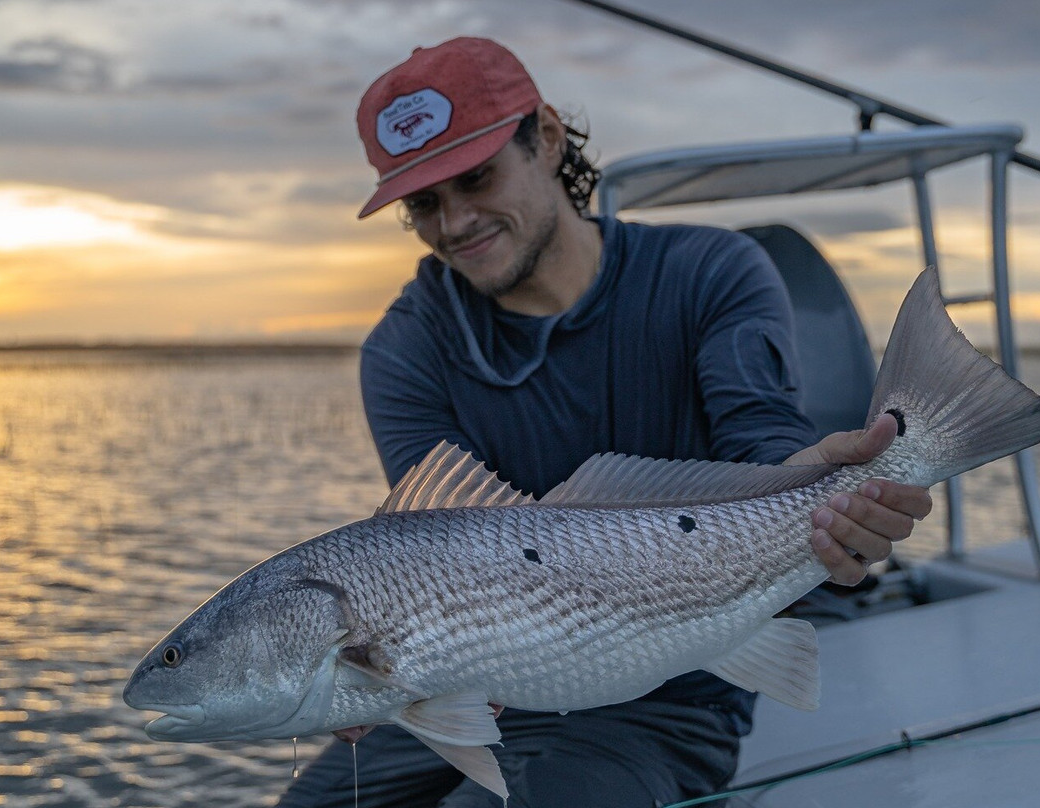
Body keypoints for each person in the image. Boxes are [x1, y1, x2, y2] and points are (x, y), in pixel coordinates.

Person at [277, 36, 932, 808]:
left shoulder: (709, 273)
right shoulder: (403, 350)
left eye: (476, 177)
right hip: (476, 672)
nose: (454, 222)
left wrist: (825, 493)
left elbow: (763, 446)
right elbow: (429, 556)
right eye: (423, 202)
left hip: (678, 670)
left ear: (547, 137)